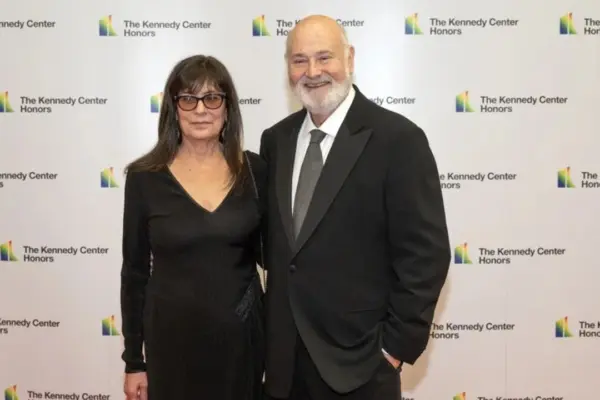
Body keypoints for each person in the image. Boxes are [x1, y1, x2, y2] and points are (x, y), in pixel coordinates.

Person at [259, 15, 451, 400]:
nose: (312, 72)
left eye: (324, 57)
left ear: (349, 58)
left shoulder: (398, 140)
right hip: (283, 370)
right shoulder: (275, 141)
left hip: (360, 370)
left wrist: (393, 350)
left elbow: (425, 255)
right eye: (299, 60)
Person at [119, 55, 266, 400]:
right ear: (174, 108)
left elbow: (276, 257)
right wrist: (134, 361)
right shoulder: (144, 178)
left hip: (241, 343)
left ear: (227, 108)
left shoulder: (255, 170)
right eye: (188, 98)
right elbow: (135, 273)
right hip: (171, 345)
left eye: (212, 98)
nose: (201, 109)